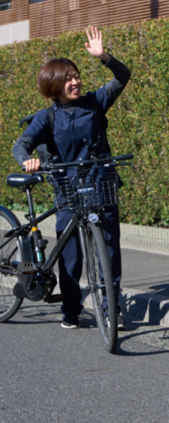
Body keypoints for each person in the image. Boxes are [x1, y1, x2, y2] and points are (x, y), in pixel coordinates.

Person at [13, 26, 131, 330]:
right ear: (54, 86)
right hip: (68, 189)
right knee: (71, 257)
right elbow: (22, 144)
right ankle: (70, 310)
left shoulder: (94, 103)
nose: (75, 82)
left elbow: (122, 78)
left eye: (76, 76)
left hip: (100, 183)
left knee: (109, 249)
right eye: (67, 79)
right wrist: (28, 160)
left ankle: (111, 309)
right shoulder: (47, 117)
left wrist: (103, 56)